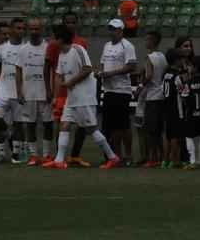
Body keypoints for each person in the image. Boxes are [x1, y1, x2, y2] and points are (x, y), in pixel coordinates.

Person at [44, 25, 122, 170]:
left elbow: (87, 69)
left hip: (84, 97)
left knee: (92, 128)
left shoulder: (78, 50)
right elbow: (59, 76)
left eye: (54, 38)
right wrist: (55, 97)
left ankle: (113, 157)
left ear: (60, 39)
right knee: (64, 125)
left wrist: (71, 82)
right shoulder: (61, 54)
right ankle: (59, 160)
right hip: (72, 97)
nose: (51, 41)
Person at [98, 19, 138, 166]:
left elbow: (132, 66)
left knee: (123, 125)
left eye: (114, 29)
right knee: (109, 125)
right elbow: (102, 63)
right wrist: (102, 72)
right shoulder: (106, 45)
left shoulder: (127, 46)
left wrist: (111, 73)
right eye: (110, 29)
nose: (111, 32)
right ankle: (114, 155)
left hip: (121, 90)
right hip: (108, 90)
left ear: (121, 31)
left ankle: (126, 155)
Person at [18, 18, 54, 165]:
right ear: (28, 30)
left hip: (45, 92)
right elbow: (18, 70)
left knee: (48, 124)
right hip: (28, 92)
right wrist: (19, 91)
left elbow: (53, 69)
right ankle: (33, 155)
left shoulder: (49, 48)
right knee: (30, 124)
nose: (34, 32)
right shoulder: (23, 49)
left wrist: (50, 89)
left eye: (37, 29)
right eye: (32, 29)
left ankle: (46, 154)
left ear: (41, 29)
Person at [0, 19, 25, 163]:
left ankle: (15, 154)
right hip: (2, 89)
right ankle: (3, 151)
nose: (21, 31)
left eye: (23, 28)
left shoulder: (26, 48)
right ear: (11, 29)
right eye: (18, 28)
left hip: (19, 90)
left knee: (18, 124)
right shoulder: (2, 48)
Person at [142, 31, 169, 167]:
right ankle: (161, 157)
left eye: (147, 39)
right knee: (159, 130)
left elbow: (149, 75)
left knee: (151, 130)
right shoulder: (163, 57)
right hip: (162, 95)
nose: (145, 42)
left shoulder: (149, 57)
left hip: (152, 96)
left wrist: (142, 84)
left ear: (153, 41)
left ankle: (152, 158)